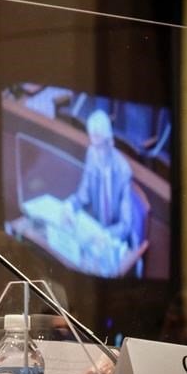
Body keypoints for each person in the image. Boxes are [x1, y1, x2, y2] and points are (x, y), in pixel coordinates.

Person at [64, 108, 134, 274]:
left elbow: (126, 225)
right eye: (93, 145)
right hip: (95, 234)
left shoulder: (123, 171)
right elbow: (83, 195)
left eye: (99, 147)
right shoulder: (92, 154)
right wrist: (69, 205)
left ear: (110, 143)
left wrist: (104, 234)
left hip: (114, 239)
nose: (95, 153)